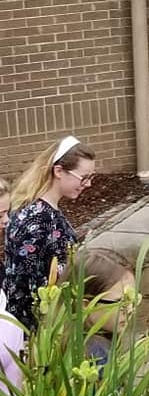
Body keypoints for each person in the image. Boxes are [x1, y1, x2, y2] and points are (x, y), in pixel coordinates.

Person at [2, 136, 95, 332]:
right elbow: (28, 286)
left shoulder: (41, 210)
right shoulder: (34, 221)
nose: (88, 184)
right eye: (84, 177)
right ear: (59, 171)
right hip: (38, 331)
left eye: (90, 177)